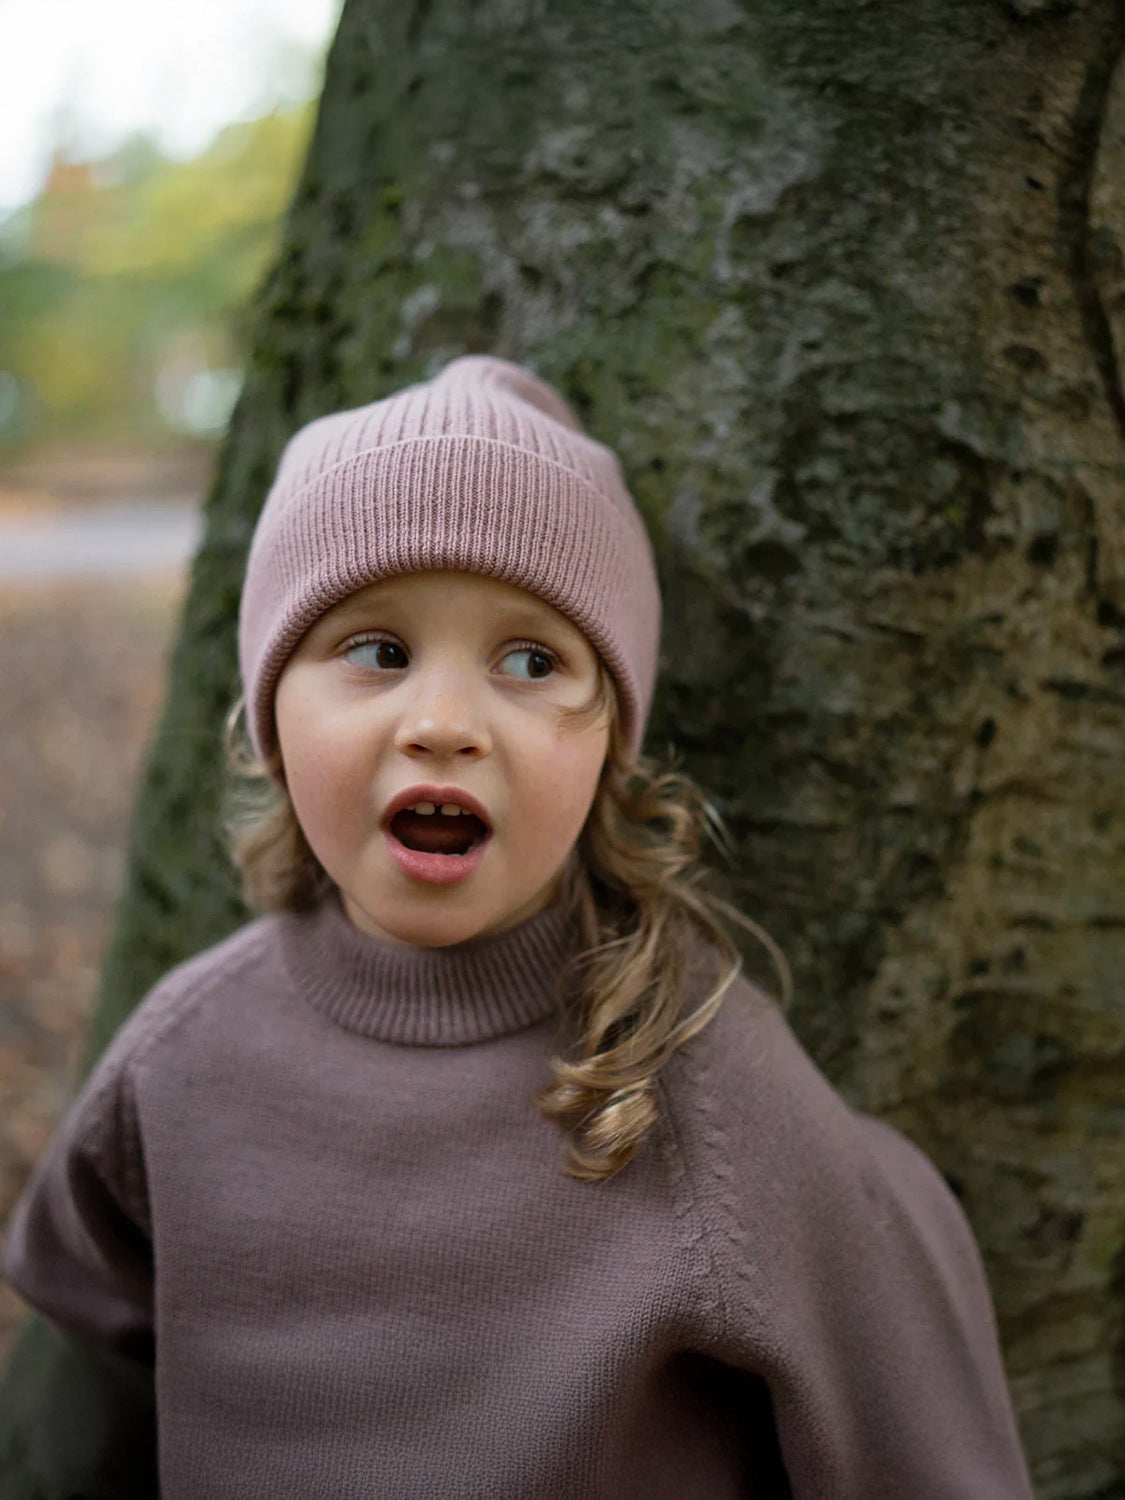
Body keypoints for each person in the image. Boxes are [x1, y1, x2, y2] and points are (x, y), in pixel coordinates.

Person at [3, 356, 1034, 1498]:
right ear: (271, 716)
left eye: (532, 661)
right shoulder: (181, 1061)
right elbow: (83, 1420)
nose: (445, 722)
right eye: (378, 652)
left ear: (609, 752)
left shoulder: (699, 1085)